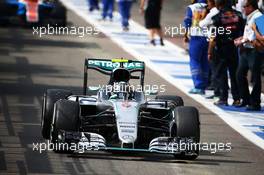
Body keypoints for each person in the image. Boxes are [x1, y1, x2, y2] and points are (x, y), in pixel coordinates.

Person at [209, 0, 244, 106]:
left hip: (221, 49)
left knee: (221, 74)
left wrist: (210, 51)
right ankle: (236, 99)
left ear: (219, 4)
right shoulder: (238, 15)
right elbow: (242, 31)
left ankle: (223, 98)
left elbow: (213, 37)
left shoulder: (217, 17)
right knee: (234, 74)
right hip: (234, 47)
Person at [234, 0, 263, 111]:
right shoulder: (250, 16)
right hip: (245, 50)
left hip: (254, 51)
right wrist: (242, 39)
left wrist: (248, 40)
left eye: (245, 7)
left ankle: (255, 103)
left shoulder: (259, 16)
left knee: (255, 77)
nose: (243, 9)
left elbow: (263, 34)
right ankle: (245, 99)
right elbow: (249, 33)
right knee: (239, 74)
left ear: (251, 7)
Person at [183, 0, 209, 94]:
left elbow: (187, 22)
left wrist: (185, 35)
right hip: (208, 37)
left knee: (194, 60)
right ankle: (205, 84)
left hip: (196, 37)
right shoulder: (210, 6)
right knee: (205, 61)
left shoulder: (192, 7)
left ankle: (198, 85)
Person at [199, 0, 220, 98]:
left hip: (252, 49)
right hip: (237, 46)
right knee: (234, 73)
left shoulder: (258, 16)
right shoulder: (236, 14)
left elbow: (201, 24)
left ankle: (219, 92)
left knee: (217, 69)